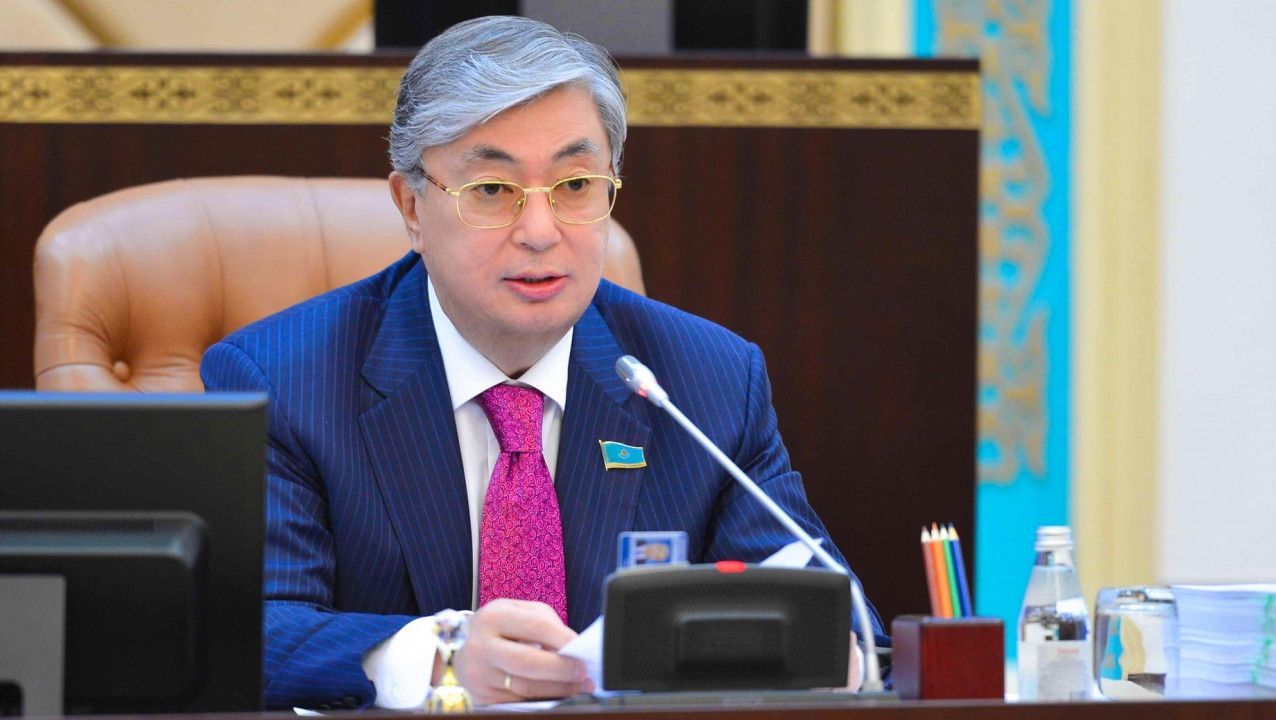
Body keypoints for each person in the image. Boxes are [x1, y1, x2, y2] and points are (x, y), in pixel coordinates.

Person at [201, 15, 884, 710]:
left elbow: (841, 621)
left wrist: (836, 656)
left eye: (575, 185)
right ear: (411, 207)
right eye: (492, 190)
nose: (539, 232)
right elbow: (246, 631)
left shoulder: (705, 381)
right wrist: (441, 659)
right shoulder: (285, 380)